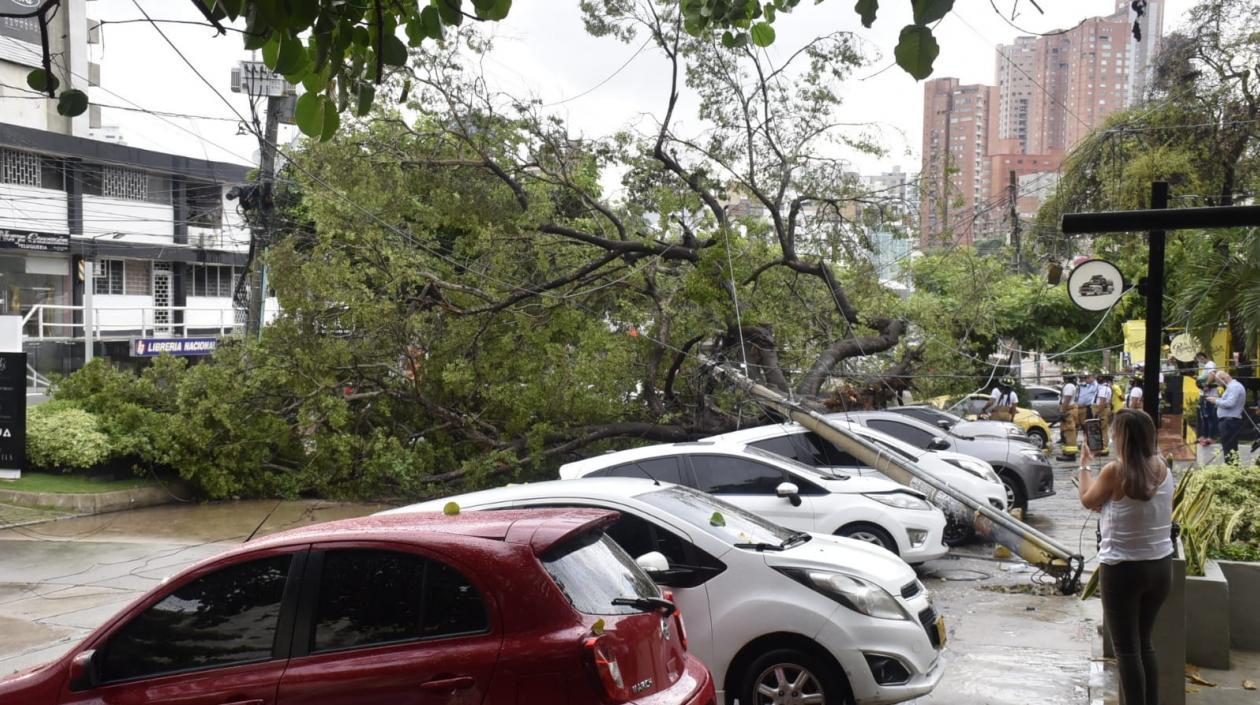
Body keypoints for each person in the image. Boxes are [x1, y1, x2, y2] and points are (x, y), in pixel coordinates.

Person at [1078, 409, 1174, 705]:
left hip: (1122, 571)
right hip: (1160, 568)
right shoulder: (1164, 467)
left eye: (1113, 432)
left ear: (1122, 437)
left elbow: (1086, 499)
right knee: (1144, 646)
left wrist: (1084, 467)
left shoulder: (1114, 471)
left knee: (1127, 651)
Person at [1207, 370, 1247, 463]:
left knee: (1230, 449)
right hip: (1228, 421)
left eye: (1218, 382)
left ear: (1223, 379)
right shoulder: (1231, 387)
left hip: (1230, 422)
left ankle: (1232, 469)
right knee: (1228, 448)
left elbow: (1230, 403)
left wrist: (1215, 401)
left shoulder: (1234, 387)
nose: (1219, 384)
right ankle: (1231, 468)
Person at [1059, 374, 1079, 460]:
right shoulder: (1071, 386)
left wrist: (1062, 410)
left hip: (1068, 411)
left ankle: (1070, 455)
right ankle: (1067, 453)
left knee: (1069, 432)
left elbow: (1067, 399)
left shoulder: (1069, 386)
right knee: (1066, 433)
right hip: (1068, 410)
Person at [1096, 375, 1114, 454]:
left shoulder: (1104, 389)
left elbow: (1102, 402)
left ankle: (1103, 448)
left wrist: (1097, 412)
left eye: (1101, 378)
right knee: (1104, 429)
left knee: (1102, 430)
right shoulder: (1107, 388)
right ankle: (1104, 447)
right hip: (1105, 410)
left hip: (1102, 411)